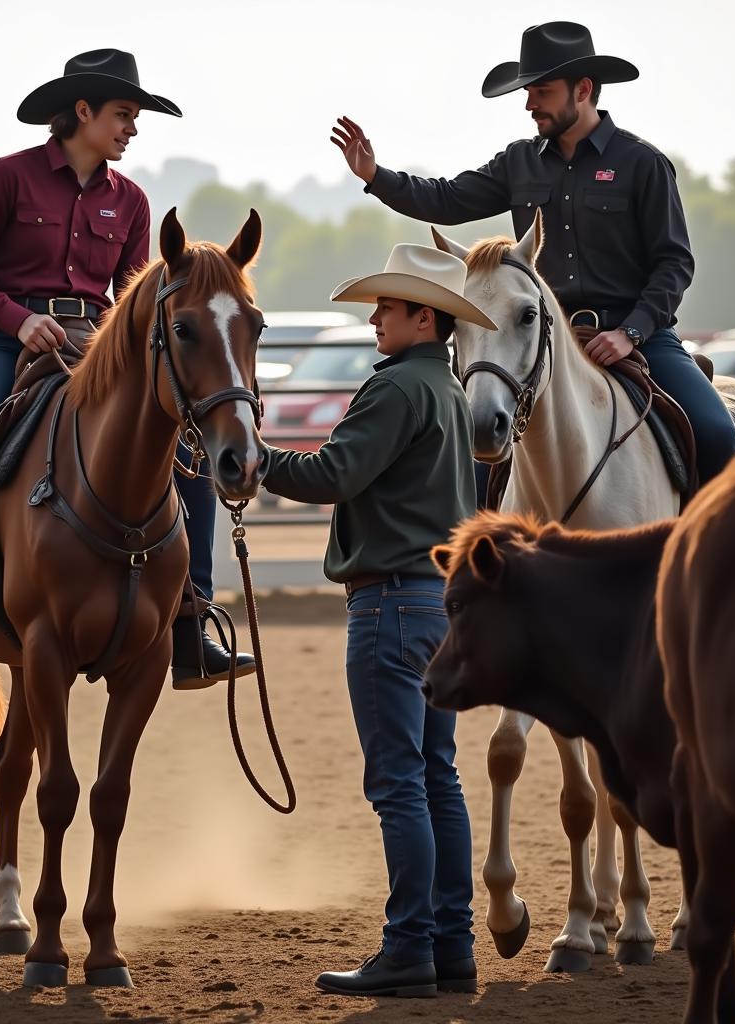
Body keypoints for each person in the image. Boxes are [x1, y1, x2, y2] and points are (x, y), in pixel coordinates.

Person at [0, 48, 253, 686]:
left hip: (96, 347)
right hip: (5, 344)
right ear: (83, 111)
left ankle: (190, 619)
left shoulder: (132, 202)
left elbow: (131, 296)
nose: (133, 127)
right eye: (124, 113)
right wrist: (17, 319)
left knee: (186, 454)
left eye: (135, 116)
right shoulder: (5, 178)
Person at [330, 21, 735, 489]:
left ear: (582, 89)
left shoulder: (642, 164)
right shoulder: (518, 162)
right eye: (528, 92)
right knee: (474, 458)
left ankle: (712, 557)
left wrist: (629, 331)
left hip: (640, 339)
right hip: (543, 340)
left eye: (541, 91)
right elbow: (445, 199)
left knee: (715, 434)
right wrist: (375, 174)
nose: (528, 104)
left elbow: (675, 263)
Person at [262, 244, 495, 997]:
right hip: (437, 604)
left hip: (390, 604)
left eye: (387, 308)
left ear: (423, 317)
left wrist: (250, 459)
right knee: (437, 778)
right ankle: (450, 946)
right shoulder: (448, 389)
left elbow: (332, 475)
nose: (374, 319)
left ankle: (408, 950)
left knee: (398, 783)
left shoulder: (396, 389)